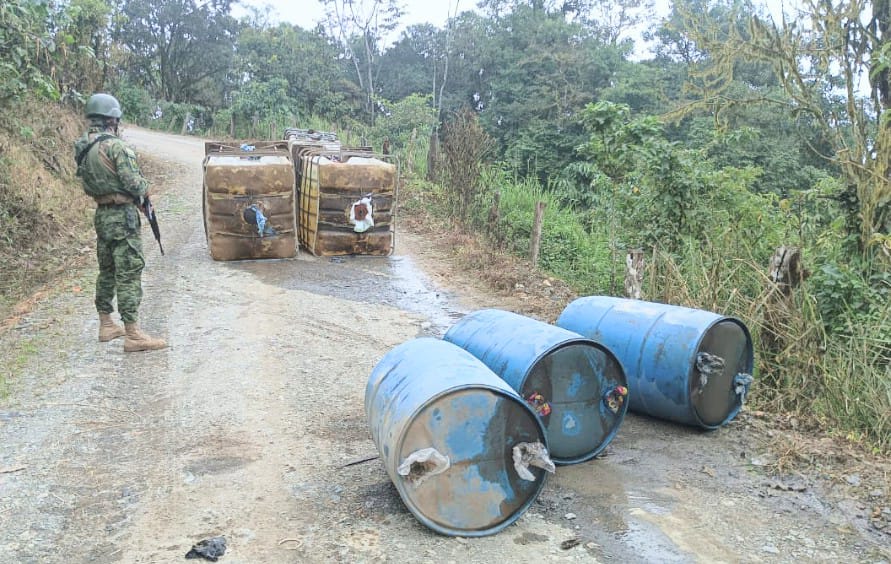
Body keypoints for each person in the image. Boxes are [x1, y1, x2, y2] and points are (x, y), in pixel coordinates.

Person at [73, 93, 167, 352]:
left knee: (107, 270)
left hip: (101, 214)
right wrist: (146, 190)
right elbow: (133, 182)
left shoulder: (83, 145)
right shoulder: (116, 146)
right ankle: (133, 334)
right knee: (129, 271)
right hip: (122, 216)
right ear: (112, 119)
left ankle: (106, 324)